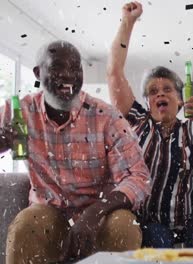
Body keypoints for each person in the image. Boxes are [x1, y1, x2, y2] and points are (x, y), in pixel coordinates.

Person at [0, 40, 151, 263]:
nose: (68, 75)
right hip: (47, 212)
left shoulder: (106, 116)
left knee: (124, 226)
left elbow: (138, 177)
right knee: (26, 226)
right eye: (57, 67)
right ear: (38, 73)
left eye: (75, 68)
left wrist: (95, 212)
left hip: (102, 213)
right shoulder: (18, 111)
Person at [107, 1, 193, 248]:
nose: (160, 94)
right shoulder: (136, 120)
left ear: (179, 99)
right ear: (147, 101)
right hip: (152, 222)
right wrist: (128, 22)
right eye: (153, 91)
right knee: (158, 241)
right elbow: (114, 72)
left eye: (167, 89)